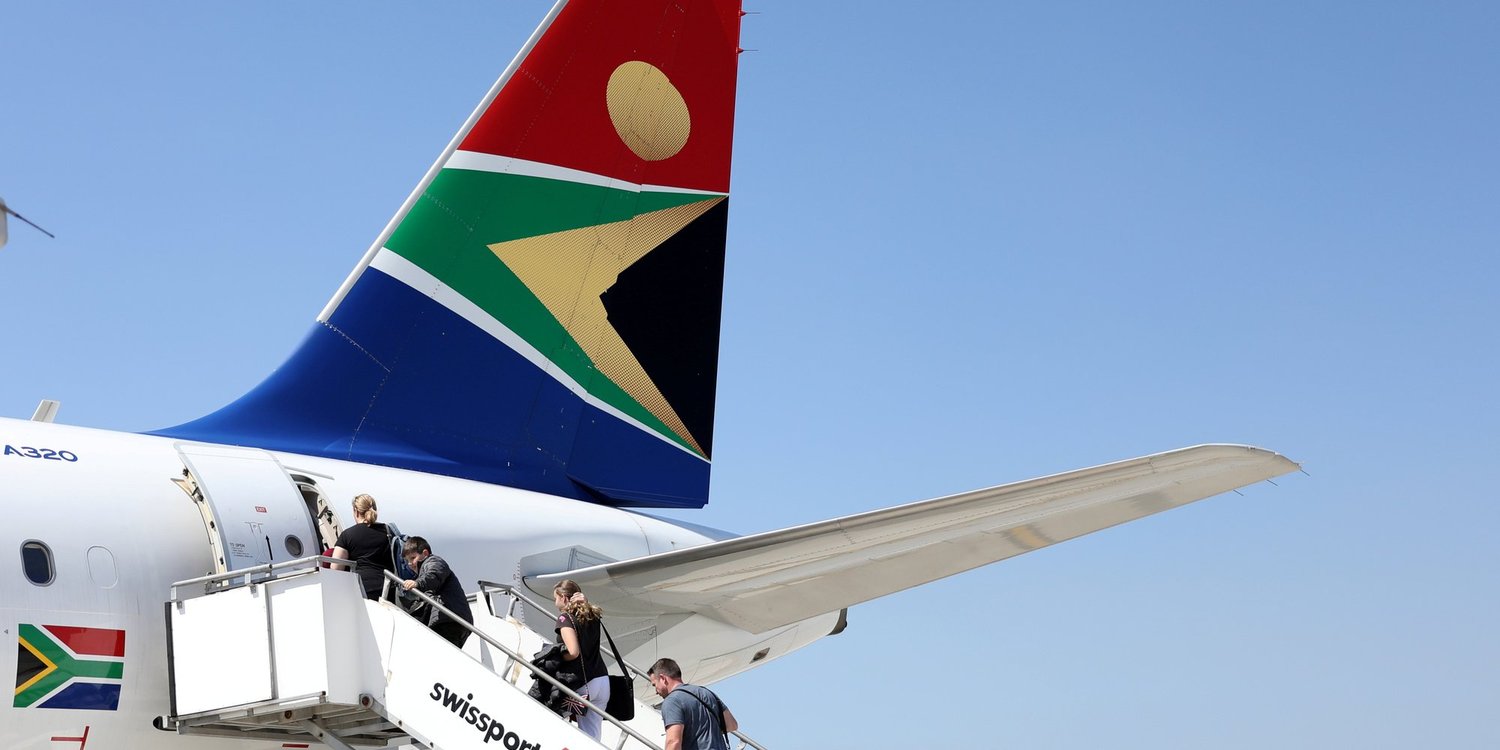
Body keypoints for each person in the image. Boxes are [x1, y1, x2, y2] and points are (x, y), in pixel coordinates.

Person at [552, 579, 610, 741]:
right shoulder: (592, 614)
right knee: (592, 735)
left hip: (583, 684)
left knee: (549, 713)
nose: (555, 603)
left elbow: (573, 652)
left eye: (555, 598)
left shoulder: (565, 619)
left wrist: (554, 656)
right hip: (602, 681)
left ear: (564, 597)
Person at [399, 536, 474, 648]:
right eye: (407, 561)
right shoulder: (424, 571)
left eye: (413, 558)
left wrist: (417, 583)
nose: (410, 564)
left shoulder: (433, 561)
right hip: (450, 619)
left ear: (425, 553)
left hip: (449, 620)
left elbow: (433, 576)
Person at [648, 658, 738, 750]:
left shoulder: (672, 701)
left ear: (663, 678)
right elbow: (732, 725)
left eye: (655, 685)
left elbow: (673, 742)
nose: (656, 691)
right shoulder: (707, 693)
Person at [330, 494, 396, 600]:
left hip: (360, 589)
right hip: (387, 589)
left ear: (356, 511)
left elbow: (335, 569)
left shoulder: (347, 535)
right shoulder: (388, 531)